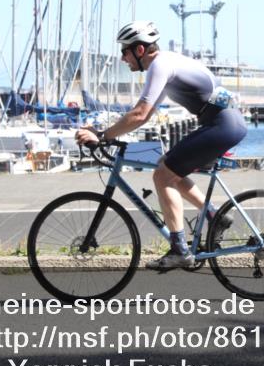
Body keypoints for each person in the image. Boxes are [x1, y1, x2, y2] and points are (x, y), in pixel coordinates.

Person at [75, 21, 247, 270]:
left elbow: (139, 114)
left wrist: (101, 136)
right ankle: (214, 216)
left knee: (162, 175)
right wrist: (110, 133)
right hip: (224, 123)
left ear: (140, 50)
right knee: (167, 168)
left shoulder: (160, 65)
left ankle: (180, 250)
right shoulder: (167, 64)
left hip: (222, 125)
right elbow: (145, 113)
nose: (123, 58)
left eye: (125, 51)